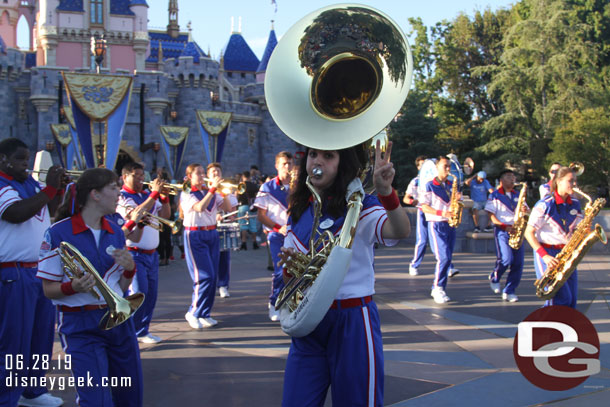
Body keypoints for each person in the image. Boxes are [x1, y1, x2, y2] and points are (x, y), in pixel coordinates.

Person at [279, 141, 410, 407]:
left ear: (343, 164)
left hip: (353, 321)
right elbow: (290, 281)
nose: (317, 162)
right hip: (308, 324)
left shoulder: (362, 205)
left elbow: (400, 231)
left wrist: (386, 192)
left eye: (328, 156)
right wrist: (293, 273)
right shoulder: (301, 209)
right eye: (313, 154)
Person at [36, 168, 143, 407]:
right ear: (95, 194)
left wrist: (129, 269)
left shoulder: (115, 231)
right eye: (113, 188)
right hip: (80, 325)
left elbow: (122, 287)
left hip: (119, 321)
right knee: (96, 399)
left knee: (130, 395)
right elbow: (48, 289)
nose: (119, 193)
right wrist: (72, 287)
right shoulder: (57, 233)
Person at [0, 138, 65, 407]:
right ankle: (6, 397)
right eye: (19, 159)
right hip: (12, 272)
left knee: (40, 335)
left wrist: (58, 189)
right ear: (3, 159)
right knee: (14, 339)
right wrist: (49, 188)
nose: (26, 164)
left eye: (27, 159)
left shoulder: (30, 184)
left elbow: (50, 208)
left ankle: (33, 390)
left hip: (37, 270)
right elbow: (16, 213)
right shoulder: (3, 185)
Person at [116, 162, 170, 344]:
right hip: (133, 253)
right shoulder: (122, 197)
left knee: (151, 294)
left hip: (151, 253)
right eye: (136, 176)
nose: (141, 179)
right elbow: (136, 214)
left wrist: (164, 198)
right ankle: (131, 331)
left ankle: (142, 330)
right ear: (125, 177)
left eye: (142, 175)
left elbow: (167, 216)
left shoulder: (146, 195)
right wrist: (155, 194)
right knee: (139, 293)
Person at [181, 163, 232, 329]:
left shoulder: (209, 192)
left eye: (203, 173)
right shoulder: (187, 191)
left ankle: (204, 313)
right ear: (190, 177)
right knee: (203, 276)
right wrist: (212, 190)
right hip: (195, 234)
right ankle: (193, 312)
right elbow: (200, 207)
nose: (202, 176)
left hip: (212, 234)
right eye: (198, 173)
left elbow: (227, 208)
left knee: (213, 276)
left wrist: (223, 192)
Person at [525, 166, 583, 308]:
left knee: (571, 301)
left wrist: (584, 230)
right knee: (558, 298)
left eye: (575, 180)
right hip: (548, 253)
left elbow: (577, 229)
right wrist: (544, 256)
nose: (574, 184)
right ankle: (546, 328)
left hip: (567, 254)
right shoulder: (545, 204)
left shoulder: (575, 203)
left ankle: (563, 328)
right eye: (570, 180)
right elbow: (528, 232)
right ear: (559, 181)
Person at [254, 151, 293, 321]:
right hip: (277, 234)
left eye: (290, 163)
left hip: (296, 235)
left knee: (297, 271)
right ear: (277, 166)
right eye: (284, 163)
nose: (288, 167)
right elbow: (261, 215)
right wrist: (278, 228)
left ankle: (292, 303)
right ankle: (274, 303)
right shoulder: (267, 188)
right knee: (280, 271)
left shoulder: (300, 185)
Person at [419, 156, 462, 304]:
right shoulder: (430, 185)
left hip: (450, 224)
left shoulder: (451, 184)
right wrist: (442, 213)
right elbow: (424, 206)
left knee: (448, 258)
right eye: (445, 166)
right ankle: (437, 288)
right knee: (443, 258)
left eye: (449, 166)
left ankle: (440, 287)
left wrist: (458, 201)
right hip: (436, 224)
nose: (448, 169)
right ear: (437, 168)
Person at [485, 169, 527, 302]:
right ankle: (495, 277)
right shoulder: (495, 195)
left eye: (513, 177)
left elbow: (526, 211)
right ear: (501, 180)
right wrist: (504, 226)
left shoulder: (518, 194)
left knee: (518, 263)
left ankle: (509, 290)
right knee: (506, 259)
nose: (512, 179)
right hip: (502, 231)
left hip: (517, 231)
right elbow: (491, 215)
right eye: (509, 176)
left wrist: (526, 211)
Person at [212, 164, 238, 299]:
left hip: (223, 228)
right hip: (208, 229)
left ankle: (223, 285)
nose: (216, 173)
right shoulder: (205, 190)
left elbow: (233, 214)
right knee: (209, 260)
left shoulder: (227, 192)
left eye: (218, 171)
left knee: (223, 258)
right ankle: (210, 285)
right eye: (213, 172)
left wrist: (224, 215)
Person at [237, 170, 260, 250]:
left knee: (243, 225)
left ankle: (244, 243)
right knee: (253, 225)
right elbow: (257, 196)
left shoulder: (241, 185)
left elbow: (238, 196)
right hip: (251, 207)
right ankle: (254, 243)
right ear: (249, 177)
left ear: (243, 177)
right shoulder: (254, 185)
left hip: (242, 206)